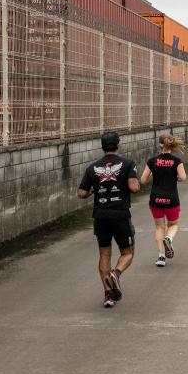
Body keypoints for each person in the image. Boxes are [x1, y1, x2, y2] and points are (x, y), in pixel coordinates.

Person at [77, 132, 141, 308]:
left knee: (105, 254)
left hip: (100, 216)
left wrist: (93, 191)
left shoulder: (92, 168)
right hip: (120, 214)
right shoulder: (128, 164)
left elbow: (81, 193)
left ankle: (108, 295)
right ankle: (116, 274)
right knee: (128, 252)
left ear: (102, 146)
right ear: (118, 145)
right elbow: (134, 187)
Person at [140, 135, 187, 267]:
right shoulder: (177, 161)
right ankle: (169, 238)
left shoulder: (152, 161)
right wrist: (175, 177)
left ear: (159, 145)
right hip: (171, 199)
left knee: (159, 227)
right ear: (172, 145)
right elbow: (183, 177)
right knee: (173, 225)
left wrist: (155, 176)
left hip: (155, 198)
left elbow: (142, 180)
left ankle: (161, 257)